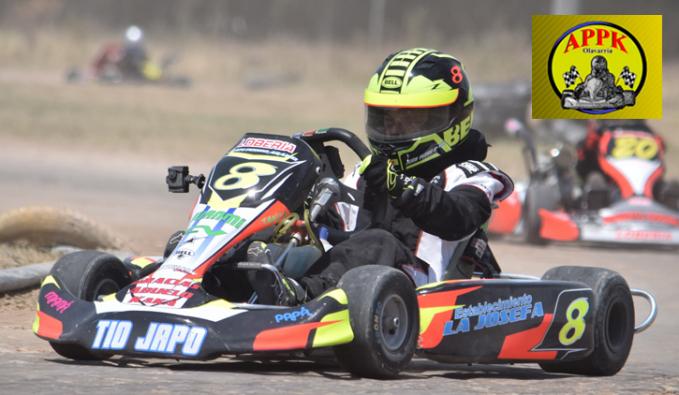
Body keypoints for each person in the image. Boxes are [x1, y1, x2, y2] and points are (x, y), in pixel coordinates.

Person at [251, 48, 514, 306]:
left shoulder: (472, 173)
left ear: (452, 119)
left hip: (423, 292)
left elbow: (458, 217)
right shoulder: (371, 173)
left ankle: (300, 296)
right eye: (386, 119)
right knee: (277, 235)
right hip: (361, 283)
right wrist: (304, 210)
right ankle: (229, 279)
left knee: (378, 241)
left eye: (408, 120)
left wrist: (400, 186)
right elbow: (340, 224)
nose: (393, 129)